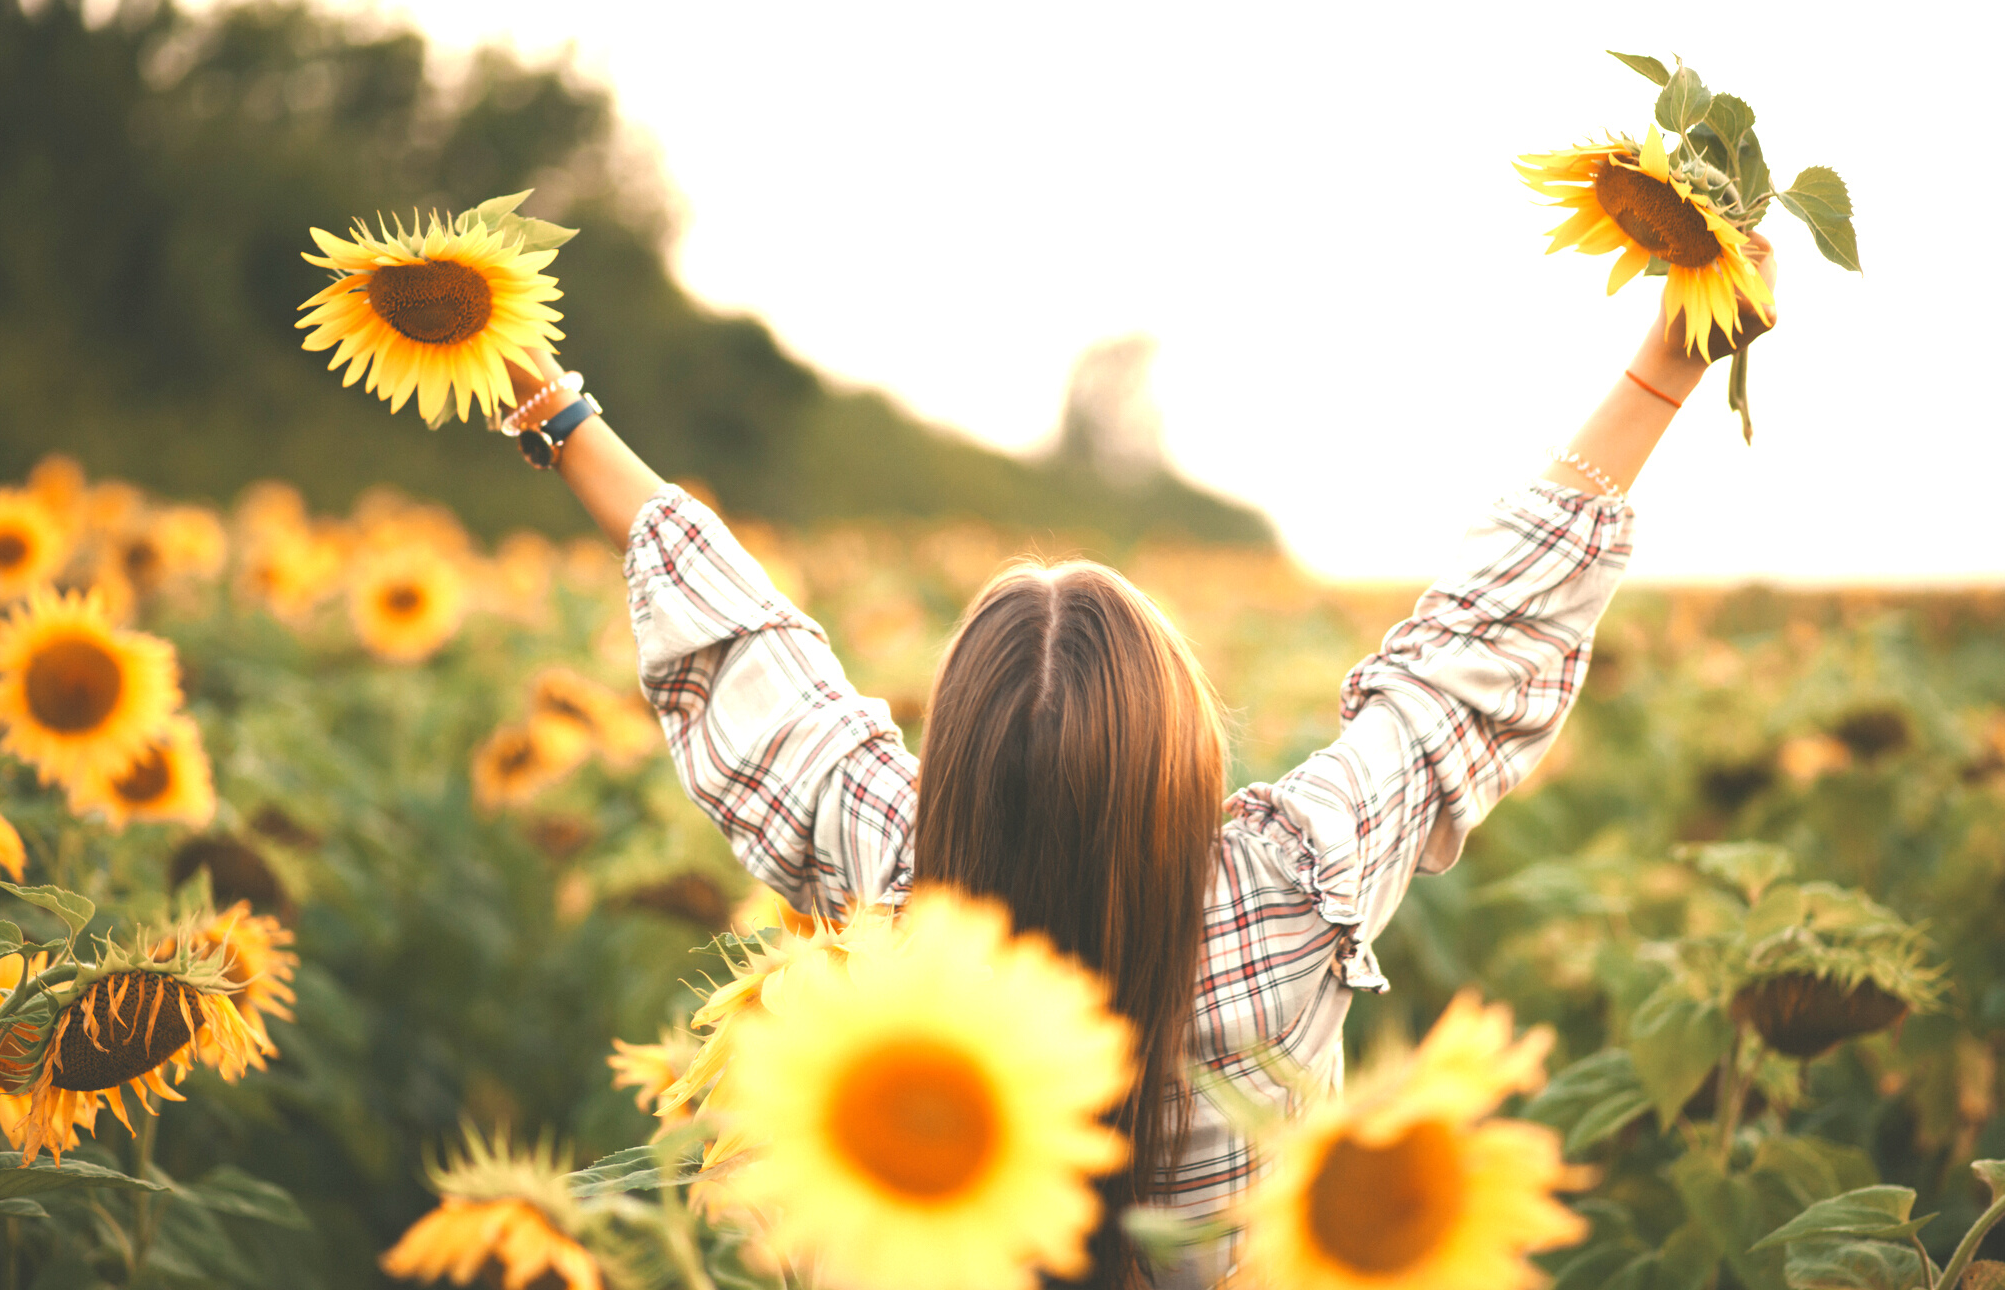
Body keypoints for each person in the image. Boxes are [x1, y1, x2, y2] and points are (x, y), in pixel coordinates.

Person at [502, 237, 1777, 1289]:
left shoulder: (888, 882)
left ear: (953, 768)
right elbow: (1476, 649)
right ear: (1188, 752)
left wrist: (559, 417)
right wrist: (1664, 368)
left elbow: (749, 652)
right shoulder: (1289, 898)